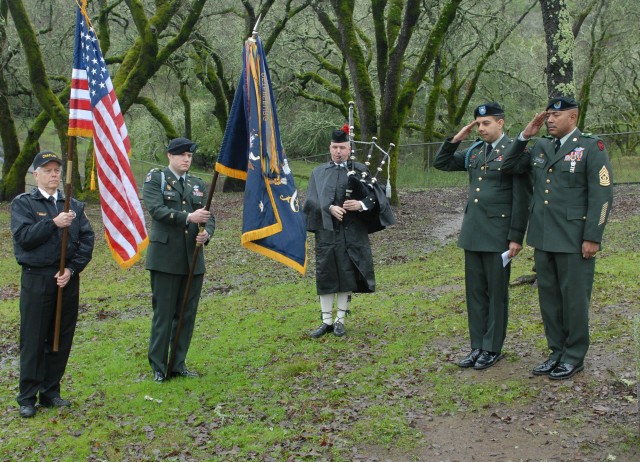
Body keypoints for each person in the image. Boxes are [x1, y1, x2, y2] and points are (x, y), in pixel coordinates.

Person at [501, 96, 613, 380]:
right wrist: (525, 135)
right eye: (548, 115)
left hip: (575, 239)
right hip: (543, 236)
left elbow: (602, 196)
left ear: (572, 117)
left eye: (555, 115)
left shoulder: (590, 147)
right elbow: (509, 166)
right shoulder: (541, 146)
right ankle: (556, 352)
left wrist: (593, 237)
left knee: (574, 300)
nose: (549, 120)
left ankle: (574, 356)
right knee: (549, 300)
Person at [434, 102, 531, 370]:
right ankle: (477, 345)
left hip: (499, 235)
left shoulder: (515, 151)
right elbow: (441, 162)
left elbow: (521, 198)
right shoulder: (475, 151)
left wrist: (515, 237)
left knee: (496, 293)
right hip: (474, 232)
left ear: (501, 123)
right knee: (475, 293)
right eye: (478, 124)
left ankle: (492, 348)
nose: (481, 128)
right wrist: (456, 140)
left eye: (486, 123)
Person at [11, 151, 95, 418]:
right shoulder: (24, 203)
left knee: (61, 336)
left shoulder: (73, 205)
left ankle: (50, 392)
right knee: (34, 338)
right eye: (47, 170)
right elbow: (24, 238)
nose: (54, 175)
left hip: (66, 279)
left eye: (57, 170)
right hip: (37, 278)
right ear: (35, 174)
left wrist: (71, 269)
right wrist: (53, 223)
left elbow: (87, 241)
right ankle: (27, 396)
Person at [304, 125, 395, 338]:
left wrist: (360, 205)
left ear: (349, 148)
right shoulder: (318, 173)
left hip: (351, 232)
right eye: (335, 147)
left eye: (342, 147)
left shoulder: (360, 169)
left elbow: (375, 197)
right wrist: (328, 207)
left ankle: (339, 321)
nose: (338, 152)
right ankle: (326, 321)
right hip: (326, 232)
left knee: (346, 273)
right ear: (330, 147)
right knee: (326, 273)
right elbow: (310, 200)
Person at [143, 137, 215, 382]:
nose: (186, 159)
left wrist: (206, 234)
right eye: (182, 155)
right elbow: (157, 210)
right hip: (165, 258)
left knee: (186, 313)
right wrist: (188, 218)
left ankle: (178, 363)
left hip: (192, 258)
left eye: (190, 155)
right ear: (170, 156)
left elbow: (208, 215)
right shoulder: (157, 179)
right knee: (164, 314)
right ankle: (159, 366)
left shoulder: (197, 184)